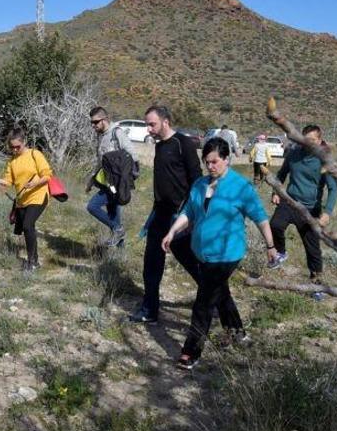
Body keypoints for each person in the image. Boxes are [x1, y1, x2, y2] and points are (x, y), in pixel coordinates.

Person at [162, 137, 279, 369]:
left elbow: (261, 218)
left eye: (215, 161)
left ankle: (190, 352)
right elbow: (189, 213)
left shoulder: (241, 187)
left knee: (203, 302)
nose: (210, 166)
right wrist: (172, 232)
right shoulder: (200, 185)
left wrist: (270, 246)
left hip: (227, 253)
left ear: (227, 159)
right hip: (202, 252)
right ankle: (237, 331)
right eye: (207, 162)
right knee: (219, 291)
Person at [129, 106, 202, 323]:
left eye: (152, 124)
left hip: (180, 216)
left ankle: (215, 298)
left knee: (193, 263)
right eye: (146, 125)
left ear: (166, 121)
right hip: (159, 213)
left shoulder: (183, 143)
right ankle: (150, 310)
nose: (148, 129)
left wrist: (191, 215)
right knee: (151, 263)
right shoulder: (160, 146)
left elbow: (197, 180)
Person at [269, 124, 337, 281]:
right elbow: (281, 175)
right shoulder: (294, 154)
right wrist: (275, 192)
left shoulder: (324, 161)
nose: (308, 143)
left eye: (312, 140)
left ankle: (317, 283)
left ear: (320, 141)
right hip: (289, 201)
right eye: (305, 140)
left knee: (313, 249)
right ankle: (281, 252)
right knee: (275, 225)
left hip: (310, 209)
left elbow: (333, 189)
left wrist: (327, 212)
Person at [0, 129, 53, 273]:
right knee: (28, 228)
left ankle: (31, 263)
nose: (15, 149)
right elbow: (8, 182)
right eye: (12, 147)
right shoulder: (12, 161)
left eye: (17, 146)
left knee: (28, 225)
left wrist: (35, 184)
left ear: (24, 142)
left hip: (39, 195)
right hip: (22, 200)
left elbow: (47, 175)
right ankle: (35, 260)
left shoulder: (35, 154)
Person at [86, 106, 137, 247]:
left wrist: (125, 179)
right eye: (91, 122)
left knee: (92, 206)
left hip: (117, 184)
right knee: (114, 217)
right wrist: (91, 180)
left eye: (95, 122)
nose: (93, 125)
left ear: (105, 119)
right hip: (107, 184)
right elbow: (100, 162)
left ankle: (118, 230)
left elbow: (132, 155)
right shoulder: (100, 136)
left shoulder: (117, 133)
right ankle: (120, 256)